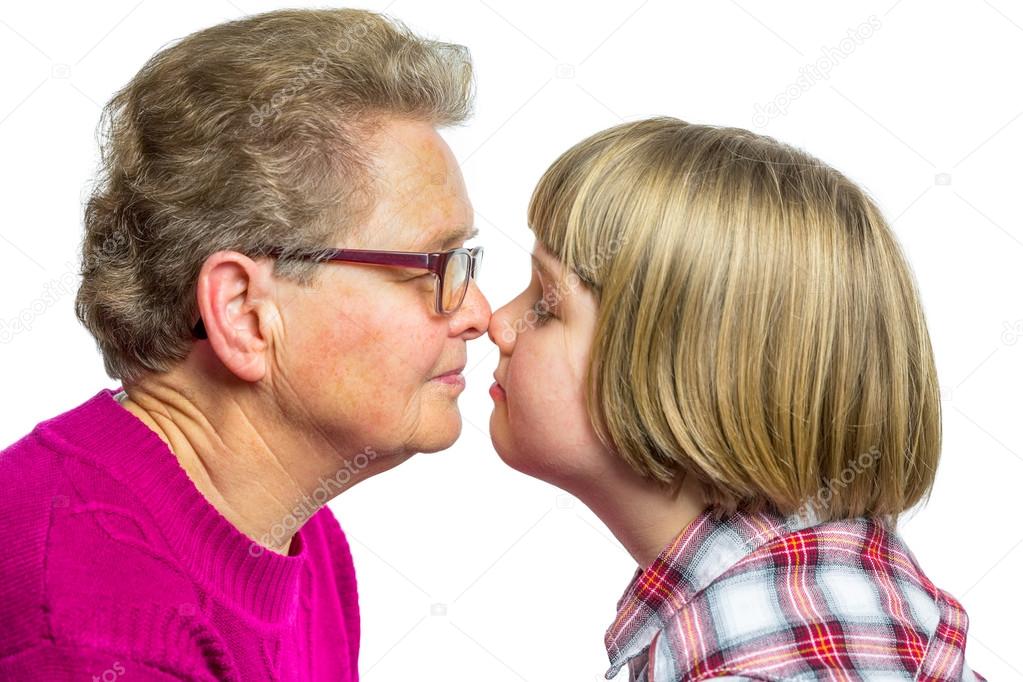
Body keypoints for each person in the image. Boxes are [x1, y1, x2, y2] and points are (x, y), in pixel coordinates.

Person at [0, 8, 489, 680]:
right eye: (432, 268)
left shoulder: (301, 537)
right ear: (243, 312)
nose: (479, 314)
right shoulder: (93, 622)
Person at [487, 117, 986, 681]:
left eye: (548, 306)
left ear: (678, 372)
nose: (498, 322)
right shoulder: (814, 597)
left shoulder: (766, 657)